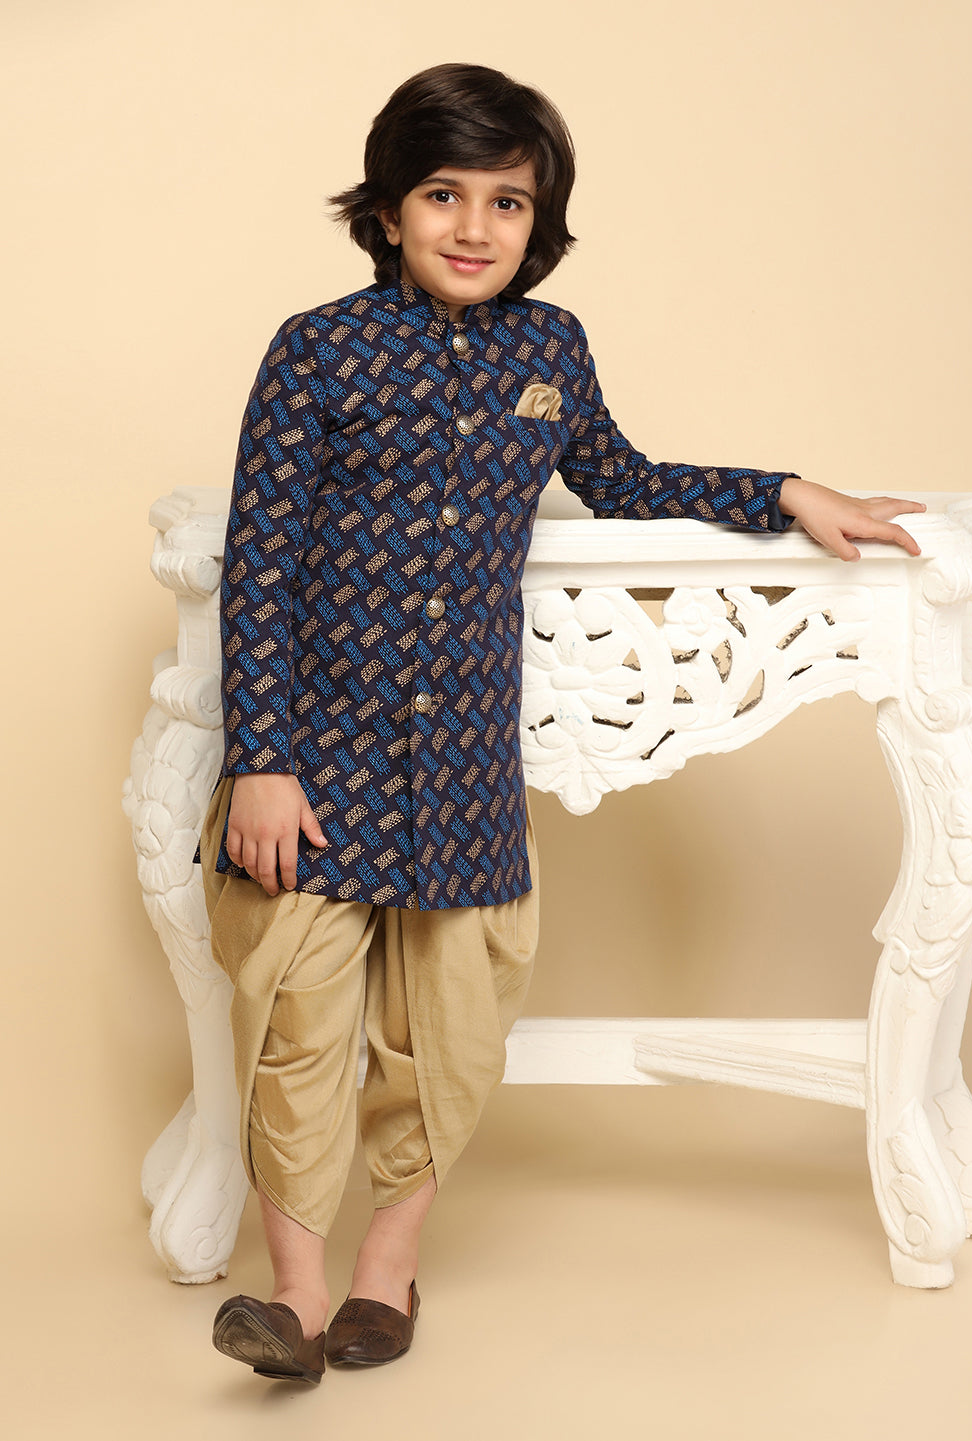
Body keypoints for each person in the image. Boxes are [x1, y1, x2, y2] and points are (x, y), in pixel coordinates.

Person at [202, 61, 924, 1383]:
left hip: (462, 775)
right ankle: (293, 1300)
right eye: (443, 194)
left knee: (447, 1031)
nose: (475, 227)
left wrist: (784, 490)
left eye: (509, 202)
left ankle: (385, 1273)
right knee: (297, 1024)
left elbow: (622, 477)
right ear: (387, 210)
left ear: (540, 222)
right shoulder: (317, 349)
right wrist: (261, 758)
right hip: (314, 762)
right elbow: (258, 562)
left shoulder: (550, 349)